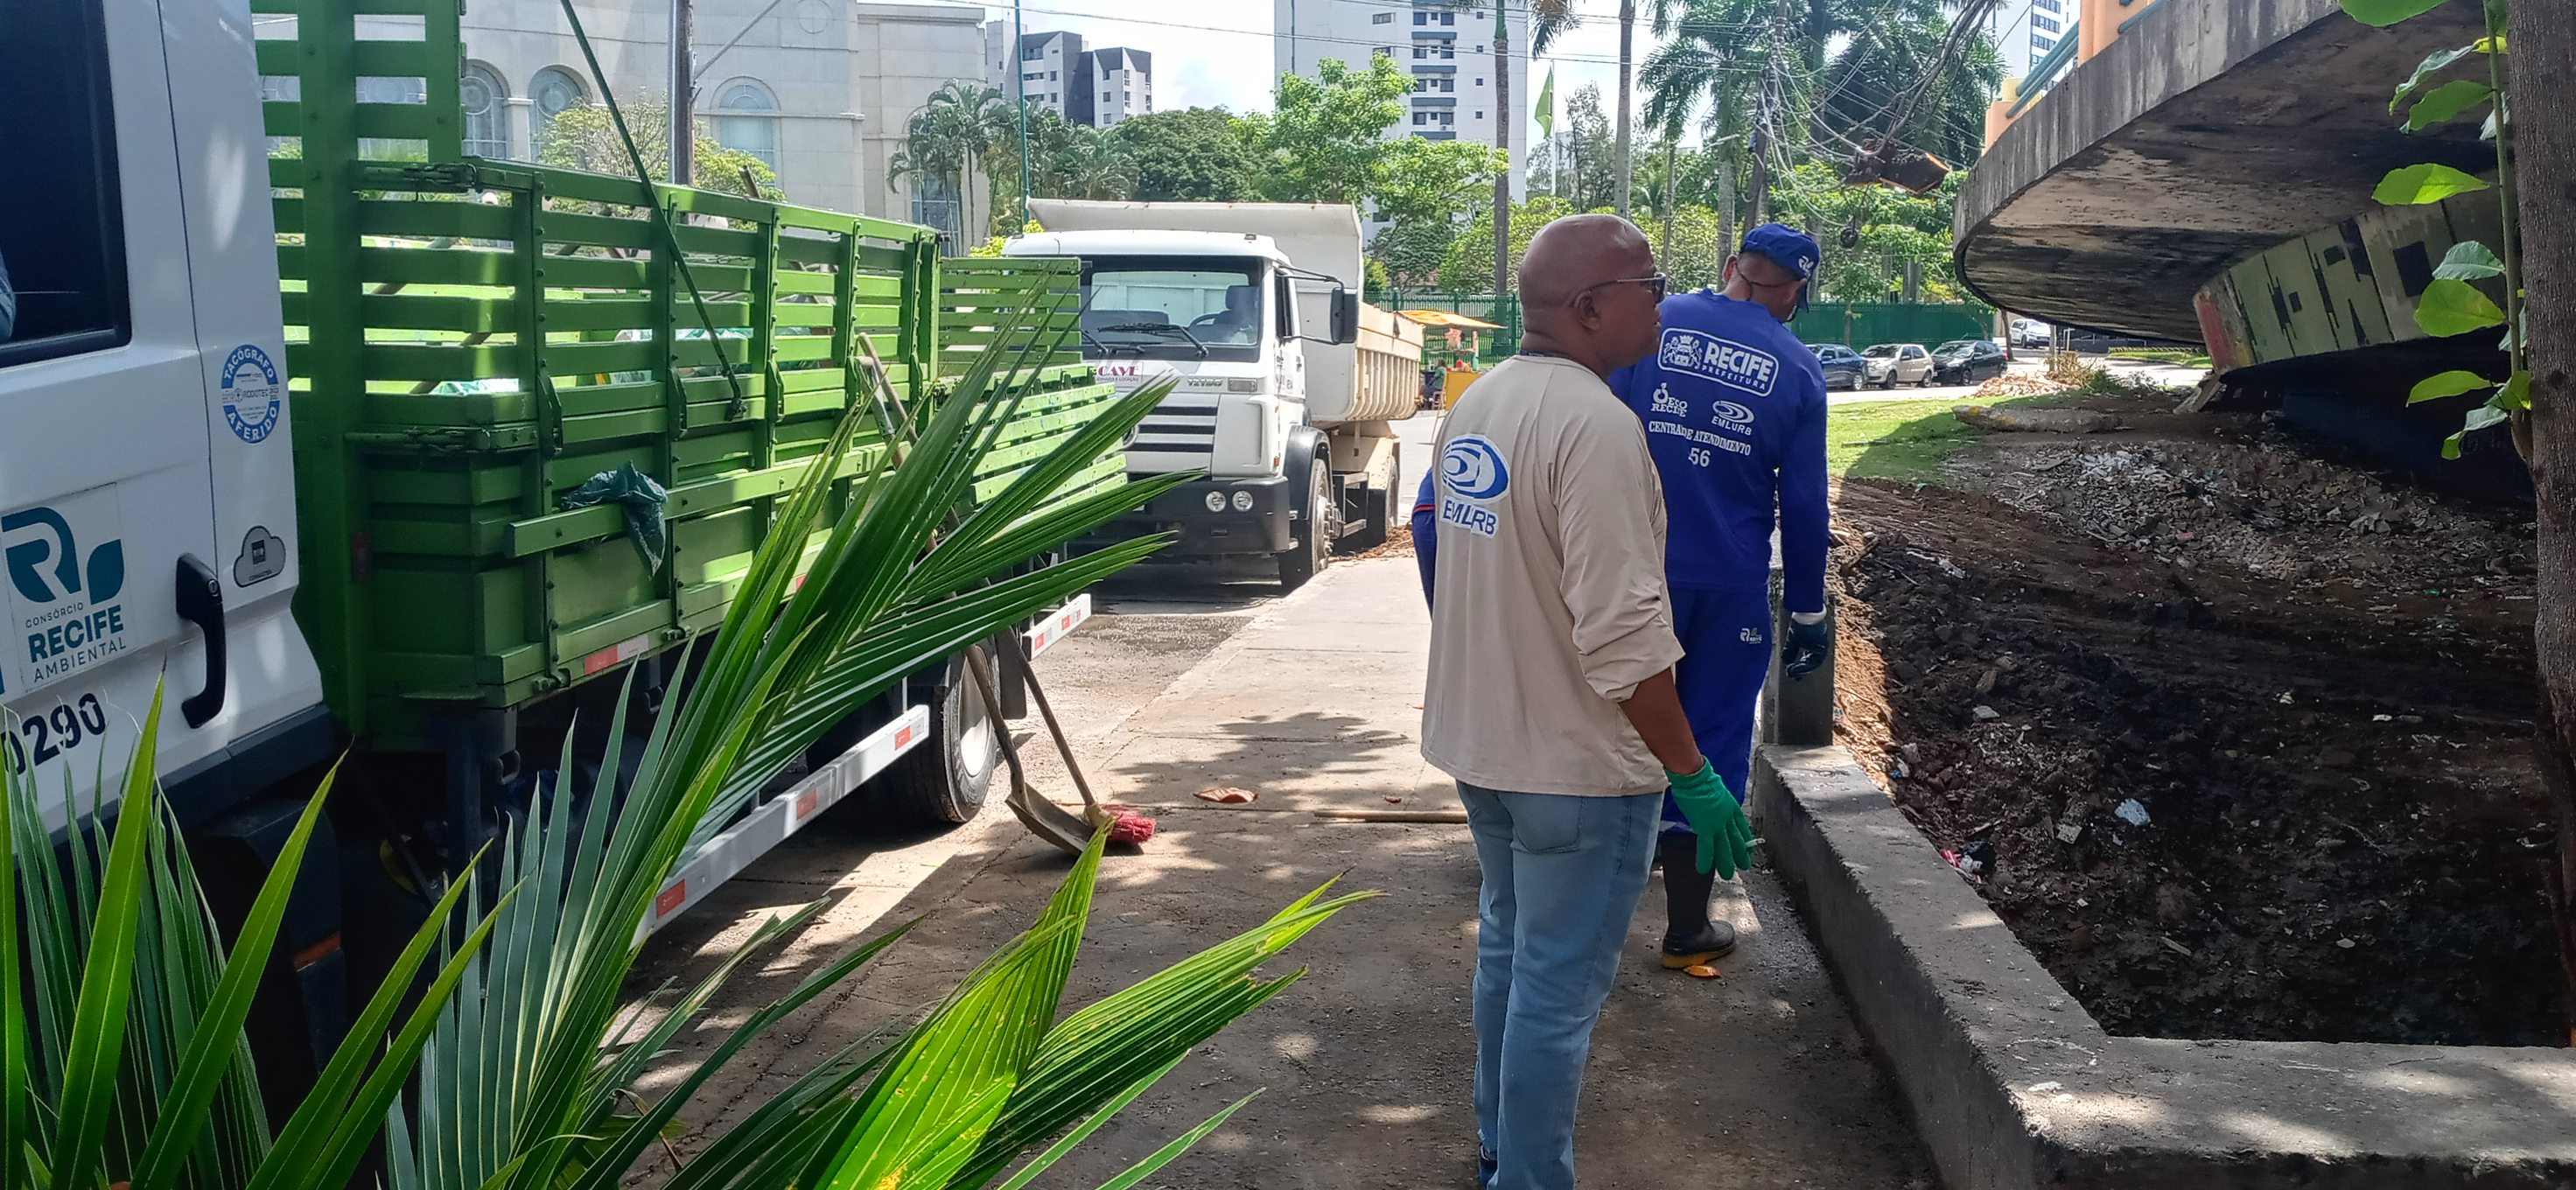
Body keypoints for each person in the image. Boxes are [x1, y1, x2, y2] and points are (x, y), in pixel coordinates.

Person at [1420, 214, 1754, 1190]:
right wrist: (1692, 775)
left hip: (1483, 750)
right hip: (1573, 768)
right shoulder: (1597, 428)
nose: (1662, 301)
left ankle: (1497, 1149)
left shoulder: (1477, 406)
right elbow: (1623, 638)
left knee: (1509, 956)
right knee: (1555, 995)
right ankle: (1527, 1178)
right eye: (1650, 285)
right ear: (1589, 306)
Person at [1605, 223, 1834, 971]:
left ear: (1732, 266)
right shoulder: (1798, 370)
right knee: (1709, 741)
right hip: (1727, 585)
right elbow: (1803, 510)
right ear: (1796, 290)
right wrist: (1806, 610)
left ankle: (1584, 909)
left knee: (1609, 722)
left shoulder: (1656, 325)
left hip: (1628, 568)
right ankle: (1686, 929)